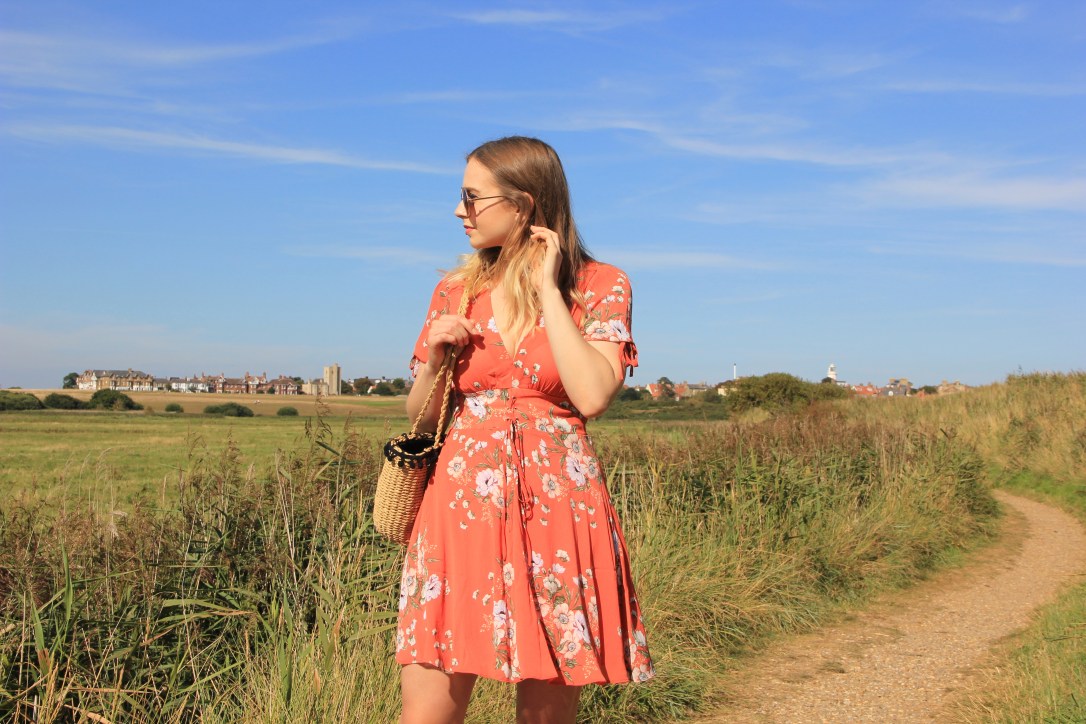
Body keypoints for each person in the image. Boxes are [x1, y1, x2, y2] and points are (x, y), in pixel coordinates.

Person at [397, 136, 654, 724]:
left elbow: (590, 394)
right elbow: (422, 419)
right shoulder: (454, 290)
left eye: (472, 198)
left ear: (524, 205)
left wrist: (548, 290)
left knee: (545, 714)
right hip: (460, 507)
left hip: (558, 508)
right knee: (425, 712)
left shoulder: (599, 285)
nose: (459, 212)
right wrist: (437, 360)